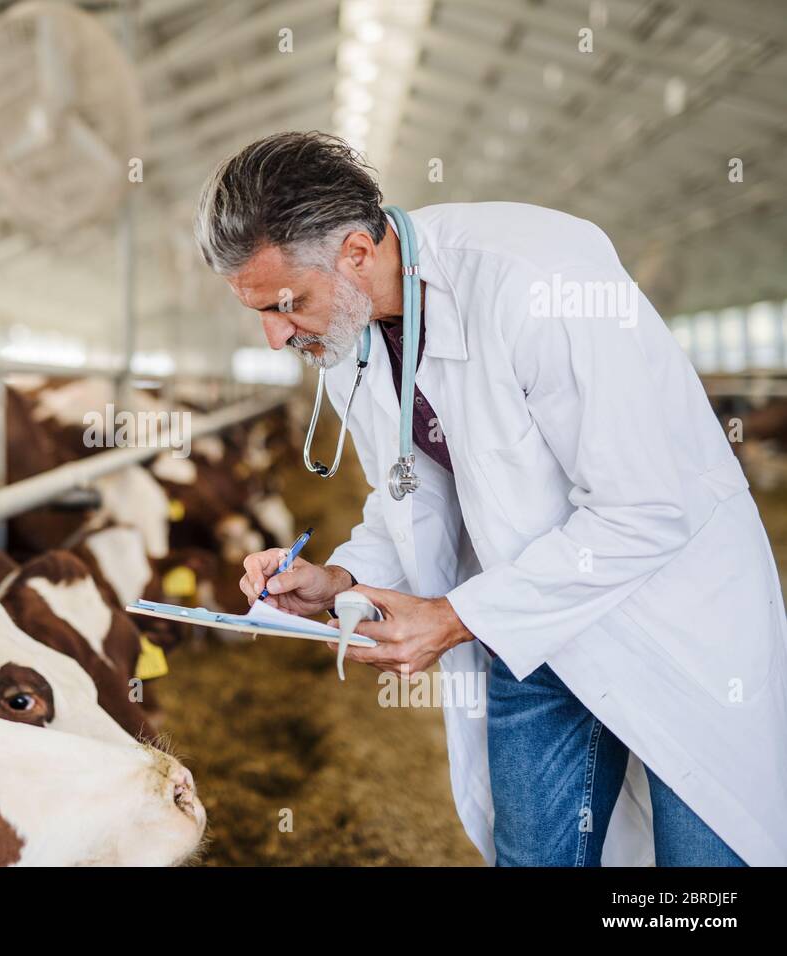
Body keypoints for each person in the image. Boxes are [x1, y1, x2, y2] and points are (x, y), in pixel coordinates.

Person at [194, 130, 787, 866]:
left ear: (354, 252)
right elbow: (409, 491)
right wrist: (339, 579)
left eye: (287, 304)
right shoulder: (349, 333)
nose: (275, 335)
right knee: (533, 855)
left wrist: (452, 616)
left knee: (701, 876)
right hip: (523, 626)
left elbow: (646, 507)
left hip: (667, 620)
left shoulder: (537, 280)